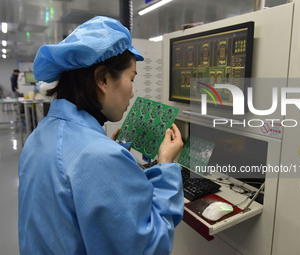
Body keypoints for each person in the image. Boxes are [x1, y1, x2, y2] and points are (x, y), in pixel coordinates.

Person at [18, 16, 184, 255]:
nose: (132, 91)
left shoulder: (41, 134)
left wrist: (110, 155)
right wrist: (166, 166)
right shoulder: (99, 156)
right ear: (103, 79)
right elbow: (150, 246)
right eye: (131, 79)